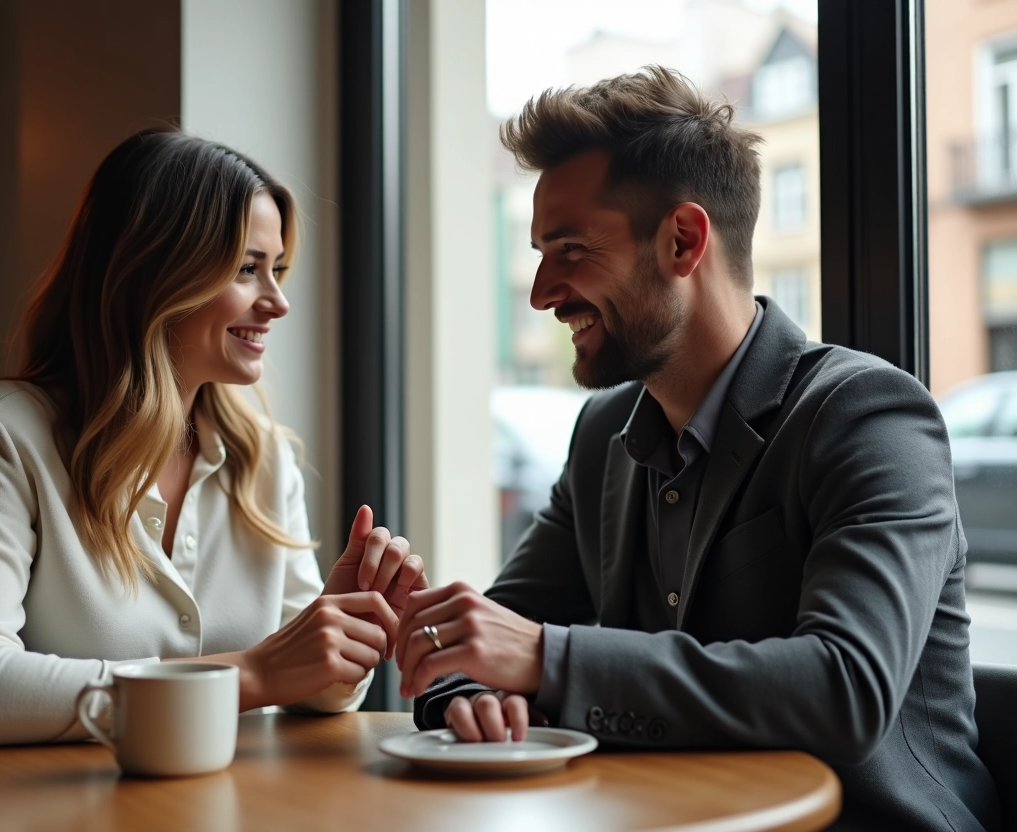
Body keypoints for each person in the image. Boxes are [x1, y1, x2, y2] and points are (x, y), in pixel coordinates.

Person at [396, 67, 1000, 831]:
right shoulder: (602, 435)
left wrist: (547, 661)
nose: (543, 292)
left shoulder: (868, 417)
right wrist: (473, 694)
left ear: (683, 240)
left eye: (571, 250)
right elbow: (495, 634)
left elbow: (846, 688)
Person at [0, 131, 425, 749]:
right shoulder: (8, 433)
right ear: (156, 271)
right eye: (247, 269)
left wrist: (338, 631)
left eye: (278, 269)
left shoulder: (266, 459)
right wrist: (249, 674)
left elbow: (309, 690)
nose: (278, 302)